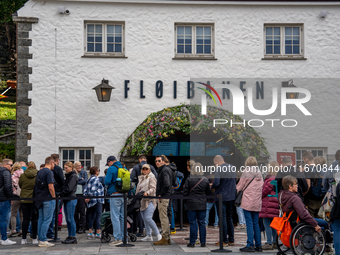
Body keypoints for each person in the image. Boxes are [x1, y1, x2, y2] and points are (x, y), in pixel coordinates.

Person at [237, 156, 263, 252]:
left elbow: (240, 186)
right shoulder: (259, 172)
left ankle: (250, 244)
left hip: (247, 200)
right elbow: (262, 186)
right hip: (257, 201)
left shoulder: (246, 172)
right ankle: (258, 245)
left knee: (249, 223)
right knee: (256, 223)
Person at [183, 162, 211, 248]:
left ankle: (192, 242)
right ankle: (203, 242)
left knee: (193, 223)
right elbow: (208, 193)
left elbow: (185, 192)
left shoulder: (189, 179)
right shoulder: (205, 180)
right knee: (202, 223)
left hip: (191, 203)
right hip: (202, 204)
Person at [211, 155, 236, 247]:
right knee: (229, 217)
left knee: (222, 218)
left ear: (217, 161)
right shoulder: (232, 167)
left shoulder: (218, 169)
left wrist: (211, 185)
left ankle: (224, 240)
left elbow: (217, 182)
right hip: (231, 196)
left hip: (221, 196)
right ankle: (231, 240)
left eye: (214, 163)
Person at [135, 164, 161, 242]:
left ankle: (158, 234)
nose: (145, 170)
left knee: (148, 218)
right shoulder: (141, 178)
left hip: (150, 200)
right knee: (145, 219)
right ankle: (149, 235)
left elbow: (153, 188)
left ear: (149, 170)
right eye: (143, 169)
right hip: (141, 201)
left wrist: (147, 192)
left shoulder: (152, 178)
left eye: (146, 169)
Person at [34, 156, 56, 247]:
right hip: (48, 198)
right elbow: (50, 186)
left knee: (41, 219)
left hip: (39, 198)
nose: (54, 166)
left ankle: (41, 238)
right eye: (54, 164)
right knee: (47, 219)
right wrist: (54, 196)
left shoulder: (40, 172)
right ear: (51, 163)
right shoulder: (49, 172)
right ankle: (43, 240)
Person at [104, 156, 125, 246]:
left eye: (108, 163)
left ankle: (118, 238)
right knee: (122, 217)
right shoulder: (124, 167)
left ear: (110, 162)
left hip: (115, 194)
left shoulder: (111, 168)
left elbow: (107, 181)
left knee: (115, 217)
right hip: (124, 195)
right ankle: (125, 237)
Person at [259, 161, 280, 250]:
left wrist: (260, 194)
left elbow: (264, 191)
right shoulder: (278, 178)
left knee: (267, 223)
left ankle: (269, 242)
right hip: (275, 203)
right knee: (274, 224)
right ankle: (275, 242)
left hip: (268, 204)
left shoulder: (270, 179)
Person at [153, 155, 173, 245]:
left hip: (164, 196)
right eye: (156, 161)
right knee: (164, 215)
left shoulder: (164, 170)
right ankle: (167, 237)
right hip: (166, 195)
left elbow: (166, 184)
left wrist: (161, 193)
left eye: (159, 161)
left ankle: (165, 237)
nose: (157, 162)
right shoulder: (165, 170)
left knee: (163, 216)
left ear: (164, 162)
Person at [19, 161, 39, 245]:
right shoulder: (37, 175)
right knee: (34, 219)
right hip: (34, 198)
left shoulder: (23, 175)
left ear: (27, 166)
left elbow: (20, 185)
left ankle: (24, 238)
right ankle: (34, 238)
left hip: (24, 198)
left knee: (25, 219)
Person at [303, 151, 326, 217]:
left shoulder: (308, 170)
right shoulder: (321, 170)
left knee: (311, 220)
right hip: (320, 198)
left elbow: (308, 185)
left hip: (310, 199)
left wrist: (303, 195)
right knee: (320, 219)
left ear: (306, 159)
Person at [84, 166, 104, 240]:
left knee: (92, 216)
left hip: (91, 200)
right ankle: (98, 232)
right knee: (99, 215)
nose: (99, 171)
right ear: (96, 171)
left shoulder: (89, 179)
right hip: (97, 199)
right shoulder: (96, 179)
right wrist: (89, 196)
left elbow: (85, 189)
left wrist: (86, 197)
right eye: (98, 170)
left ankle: (90, 232)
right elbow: (93, 189)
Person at [47, 154, 65, 239]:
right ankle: (51, 233)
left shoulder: (46, 170)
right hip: (57, 193)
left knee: (48, 215)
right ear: (57, 160)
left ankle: (48, 232)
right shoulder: (57, 169)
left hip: (48, 193)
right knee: (54, 214)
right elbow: (62, 181)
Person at [60, 161, 78, 244]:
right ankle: (70, 235)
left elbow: (69, 188)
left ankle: (73, 236)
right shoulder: (70, 176)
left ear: (71, 167)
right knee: (68, 219)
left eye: (66, 168)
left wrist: (61, 193)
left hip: (71, 198)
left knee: (70, 219)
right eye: (65, 167)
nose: (65, 169)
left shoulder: (73, 176)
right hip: (68, 199)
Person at [0, 159, 16, 245]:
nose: (12, 166)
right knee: (4, 219)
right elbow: (8, 186)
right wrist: (11, 198)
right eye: (10, 165)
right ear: (5, 164)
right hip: (4, 199)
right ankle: (4, 239)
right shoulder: (6, 172)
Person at [10, 162, 24, 237]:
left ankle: (14, 229)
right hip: (23, 196)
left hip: (15, 196)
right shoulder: (24, 175)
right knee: (22, 215)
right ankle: (22, 230)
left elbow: (11, 187)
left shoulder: (12, 176)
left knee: (13, 214)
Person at [74, 161, 88, 234]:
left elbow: (85, 181)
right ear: (75, 166)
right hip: (74, 195)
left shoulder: (84, 173)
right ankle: (76, 227)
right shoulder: (73, 173)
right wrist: (80, 179)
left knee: (82, 211)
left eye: (80, 166)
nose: (80, 167)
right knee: (75, 212)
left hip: (81, 194)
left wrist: (77, 180)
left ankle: (82, 227)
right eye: (78, 166)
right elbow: (73, 181)